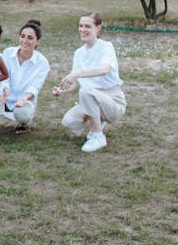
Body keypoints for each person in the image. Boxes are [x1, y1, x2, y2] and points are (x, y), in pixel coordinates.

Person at [53, 12, 126, 153]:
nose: (82, 30)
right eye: (80, 26)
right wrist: (61, 90)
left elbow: (104, 70)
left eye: (87, 26)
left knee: (86, 92)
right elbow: (74, 84)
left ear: (98, 28)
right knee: (68, 122)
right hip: (91, 98)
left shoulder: (106, 47)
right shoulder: (79, 53)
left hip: (113, 102)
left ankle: (98, 136)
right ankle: (96, 119)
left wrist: (78, 73)